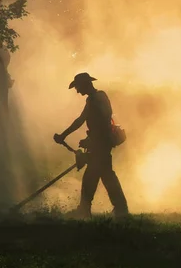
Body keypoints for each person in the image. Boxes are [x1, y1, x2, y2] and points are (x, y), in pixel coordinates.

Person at [55, 72, 129, 219]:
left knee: (95, 176)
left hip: (100, 144)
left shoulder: (94, 99)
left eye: (78, 87)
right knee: (103, 176)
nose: (77, 90)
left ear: (85, 84)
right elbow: (96, 120)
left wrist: (64, 136)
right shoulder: (99, 97)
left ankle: (88, 210)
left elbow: (82, 121)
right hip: (102, 142)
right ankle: (119, 209)